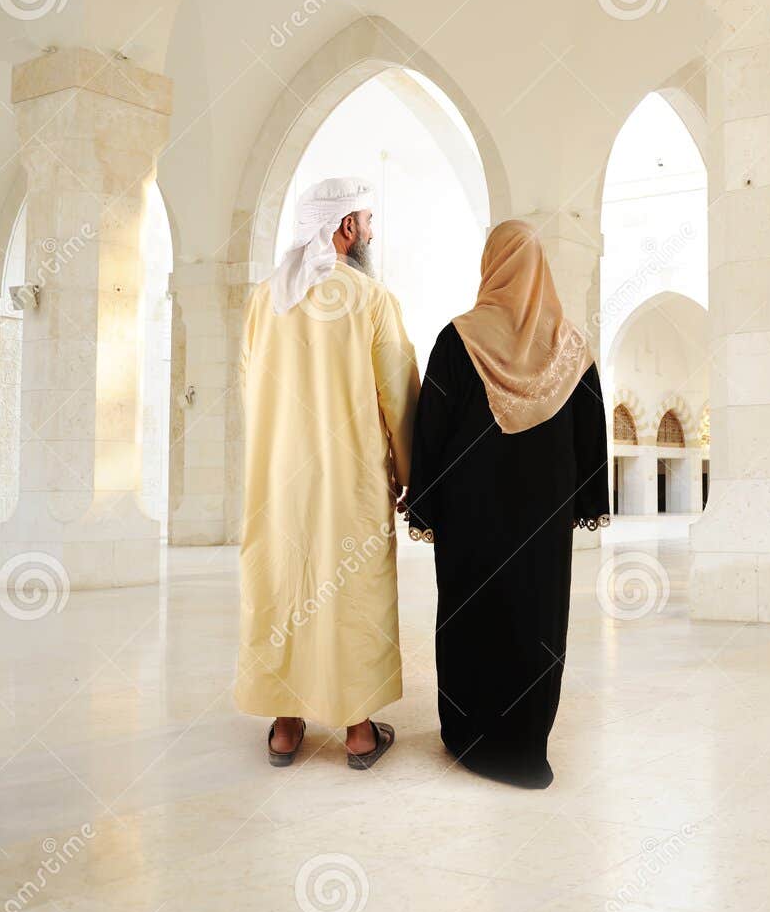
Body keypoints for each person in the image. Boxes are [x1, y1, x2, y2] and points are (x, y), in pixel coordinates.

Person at [404, 219, 609, 787]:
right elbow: (591, 438)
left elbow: (432, 429)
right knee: (536, 616)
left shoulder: (458, 339)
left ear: (491, 265)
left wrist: (426, 502)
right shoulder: (573, 351)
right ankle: (525, 739)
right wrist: (581, 503)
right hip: (543, 525)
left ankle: (468, 735)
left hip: (472, 520)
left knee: (472, 613)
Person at [235, 176, 420, 770]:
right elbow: (399, 394)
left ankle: (286, 726)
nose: (371, 231)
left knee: (285, 581)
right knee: (348, 590)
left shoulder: (267, 298)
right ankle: (359, 731)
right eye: (366, 220)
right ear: (345, 228)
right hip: (350, 479)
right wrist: (412, 470)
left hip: (278, 476)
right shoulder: (370, 298)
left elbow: (247, 386)